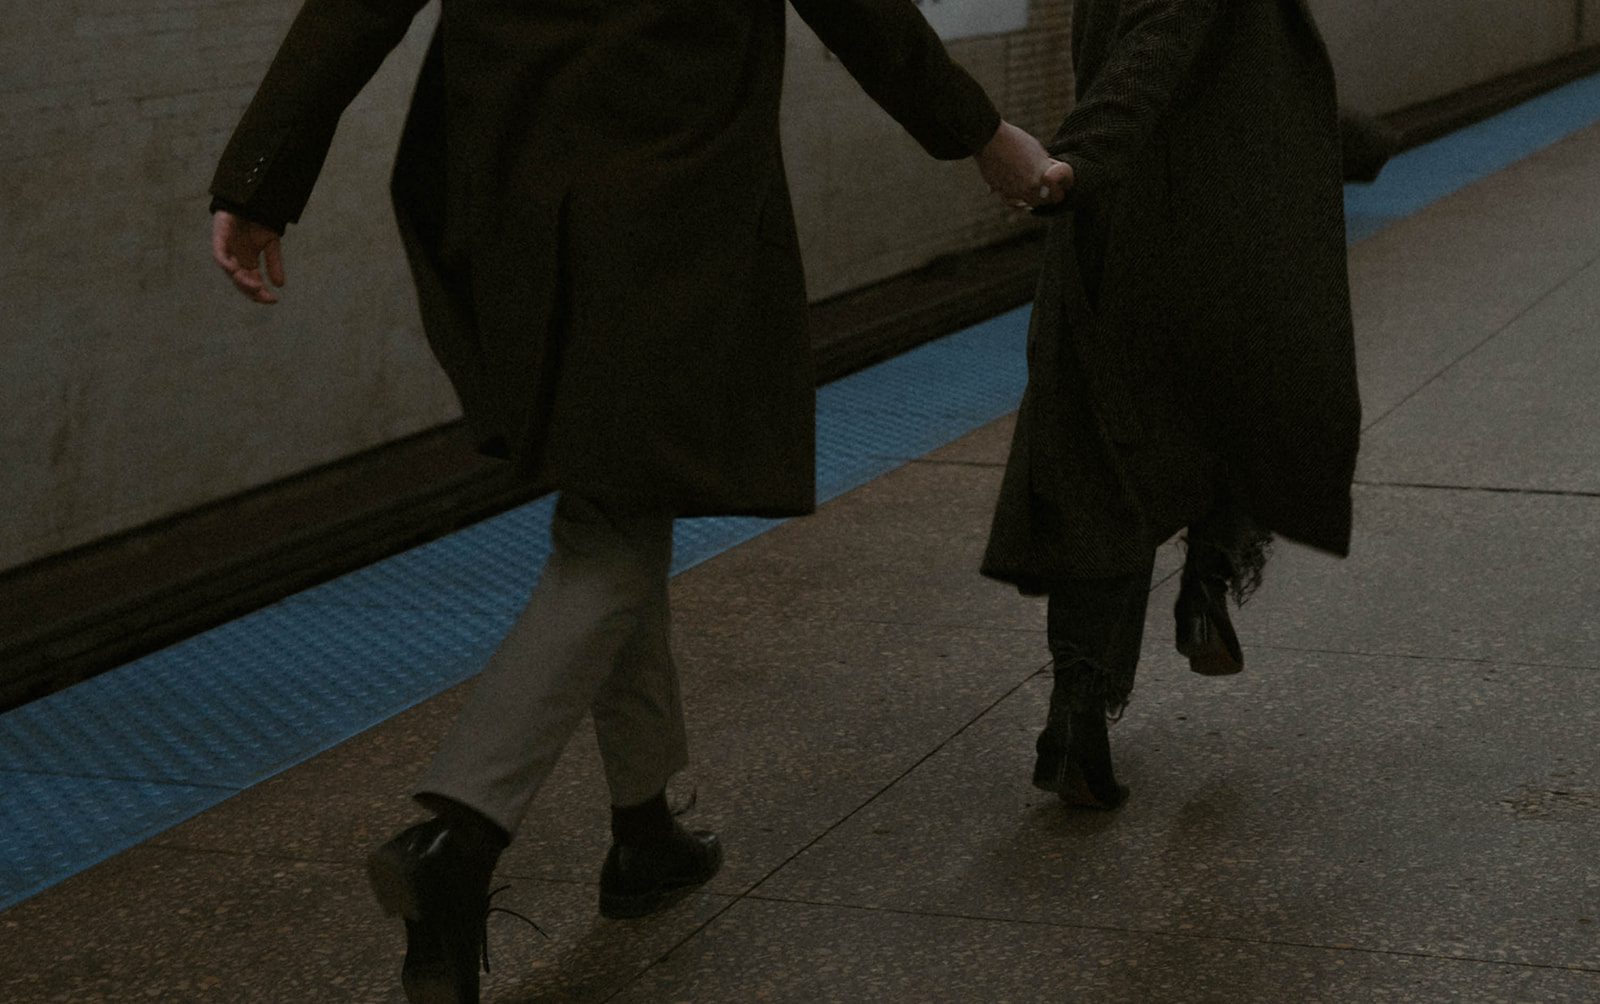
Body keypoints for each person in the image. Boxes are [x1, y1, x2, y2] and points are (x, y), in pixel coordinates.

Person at [208, 1, 1068, 1000]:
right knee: (613, 524)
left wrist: (260, 181)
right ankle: (459, 832)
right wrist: (983, 136)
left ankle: (643, 828)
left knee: (620, 489)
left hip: (505, 195)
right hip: (670, 199)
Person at [980, 0, 1395, 808]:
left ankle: (1077, 712)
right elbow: (1163, 47)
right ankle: (1208, 583)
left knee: (1099, 465)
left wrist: (1346, 132)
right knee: (1248, 406)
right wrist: (1075, 161)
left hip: (1119, 219)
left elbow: (1211, 57)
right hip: (1193, 222)